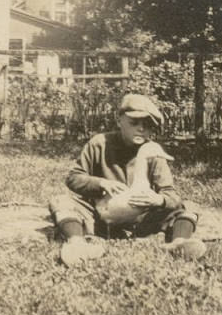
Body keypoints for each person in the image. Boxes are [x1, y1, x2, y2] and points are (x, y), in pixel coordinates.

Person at [48, 94, 206, 266]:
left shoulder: (152, 152)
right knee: (61, 201)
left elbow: (170, 194)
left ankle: (179, 243)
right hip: (101, 217)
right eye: (134, 123)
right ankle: (77, 243)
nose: (140, 129)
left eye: (147, 126)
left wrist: (159, 200)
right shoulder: (99, 144)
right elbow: (73, 178)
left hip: (141, 220)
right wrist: (101, 183)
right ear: (119, 121)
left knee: (188, 206)